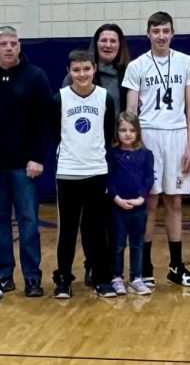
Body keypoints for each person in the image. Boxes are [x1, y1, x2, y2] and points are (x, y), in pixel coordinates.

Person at [122, 12, 190, 287]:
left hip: (177, 136)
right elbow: (131, 112)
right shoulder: (137, 66)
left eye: (165, 31)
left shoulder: (187, 62)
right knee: (150, 202)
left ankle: (176, 266)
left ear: (172, 33)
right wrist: (131, 148)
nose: (160, 36)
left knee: (175, 201)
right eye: (155, 31)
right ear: (148, 33)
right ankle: (144, 266)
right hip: (149, 138)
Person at [0, 25, 52, 298]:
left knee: (29, 223)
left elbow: (44, 121)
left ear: (19, 46)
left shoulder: (35, 76)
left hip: (25, 167)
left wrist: (38, 158)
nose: (9, 47)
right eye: (4, 43)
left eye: (13, 43)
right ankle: (3, 275)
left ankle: (33, 278)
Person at [63, 23, 130, 286]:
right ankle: (93, 266)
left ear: (120, 44)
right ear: (96, 43)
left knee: (116, 215)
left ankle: (115, 270)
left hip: (119, 152)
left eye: (113, 40)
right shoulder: (76, 76)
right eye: (103, 40)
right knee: (93, 219)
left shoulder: (128, 73)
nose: (108, 45)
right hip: (89, 157)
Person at [51, 50, 117, 299]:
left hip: (96, 171)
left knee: (95, 230)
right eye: (76, 70)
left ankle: (101, 278)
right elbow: (55, 134)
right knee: (67, 230)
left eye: (86, 69)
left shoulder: (105, 98)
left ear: (94, 70)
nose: (82, 74)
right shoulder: (59, 99)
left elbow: (108, 132)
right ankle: (63, 279)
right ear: (69, 71)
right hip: (68, 172)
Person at [107, 112, 154, 296]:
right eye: (123, 130)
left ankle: (136, 278)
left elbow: (149, 178)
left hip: (139, 207)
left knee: (137, 244)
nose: (127, 134)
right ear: (117, 132)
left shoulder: (146, 155)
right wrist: (116, 198)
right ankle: (116, 277)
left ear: (138, 132)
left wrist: (141, 198)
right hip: (118, 207)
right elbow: (108, 179)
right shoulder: (112, 154)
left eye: (132, 130)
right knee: (118, 244)